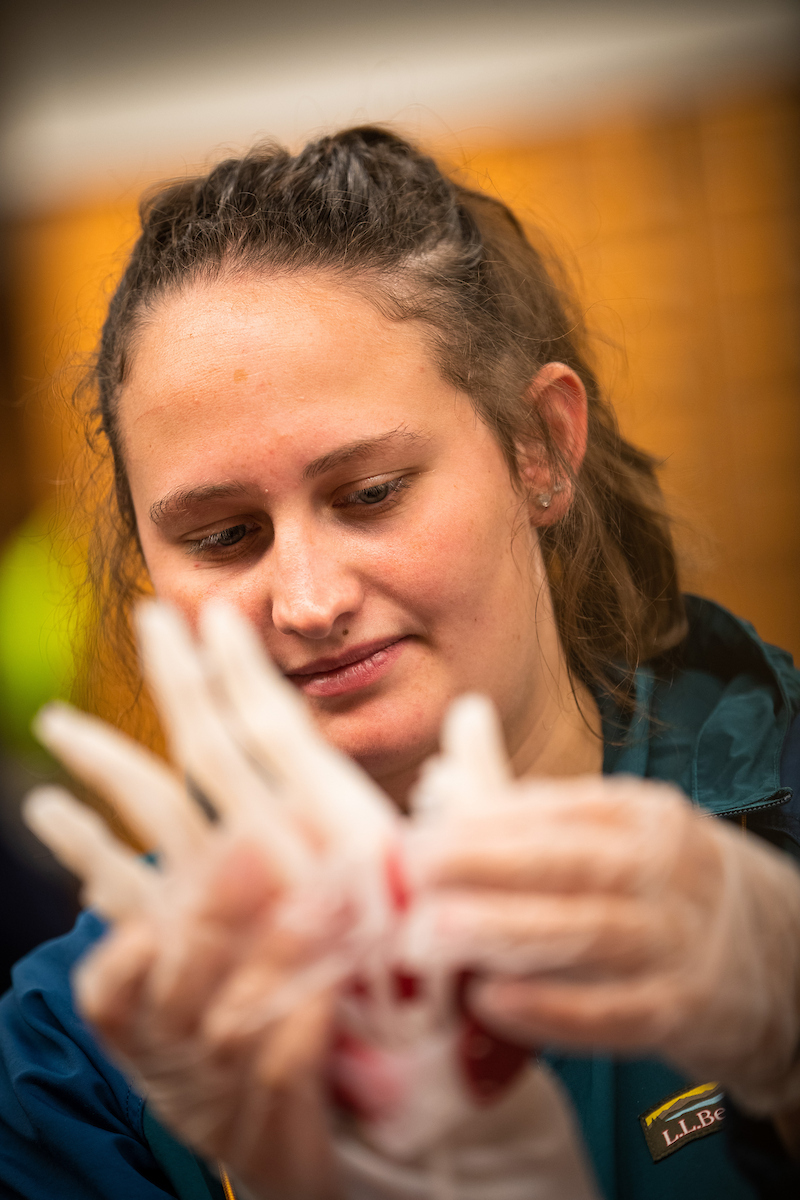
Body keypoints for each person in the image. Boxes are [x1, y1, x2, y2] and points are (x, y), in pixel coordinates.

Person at [0, 125, 799, 1200]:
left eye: (369, 494)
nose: (310, 600)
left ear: (540, 449)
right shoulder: (89, 1047)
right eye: (223, 536)